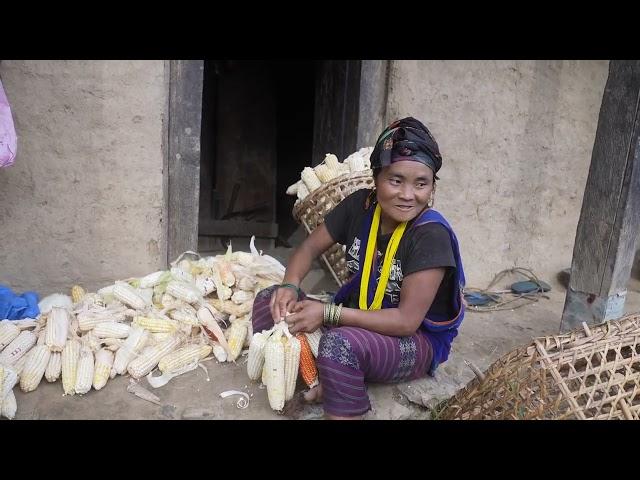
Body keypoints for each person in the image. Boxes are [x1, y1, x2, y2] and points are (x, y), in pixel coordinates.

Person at [251, 117, 466, 420]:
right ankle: (324, 376)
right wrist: (290, 285)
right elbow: (309, 248)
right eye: (396, 180)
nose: (408, 194)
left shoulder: (430, 235)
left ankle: (342, 399)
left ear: (431, 187)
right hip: (359, 320)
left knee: (340, 345)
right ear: (376, 178)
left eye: (421, 183)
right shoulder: (359, 207)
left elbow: (406, 321)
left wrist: (327, 313)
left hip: (414, 341)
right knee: (268, 302)